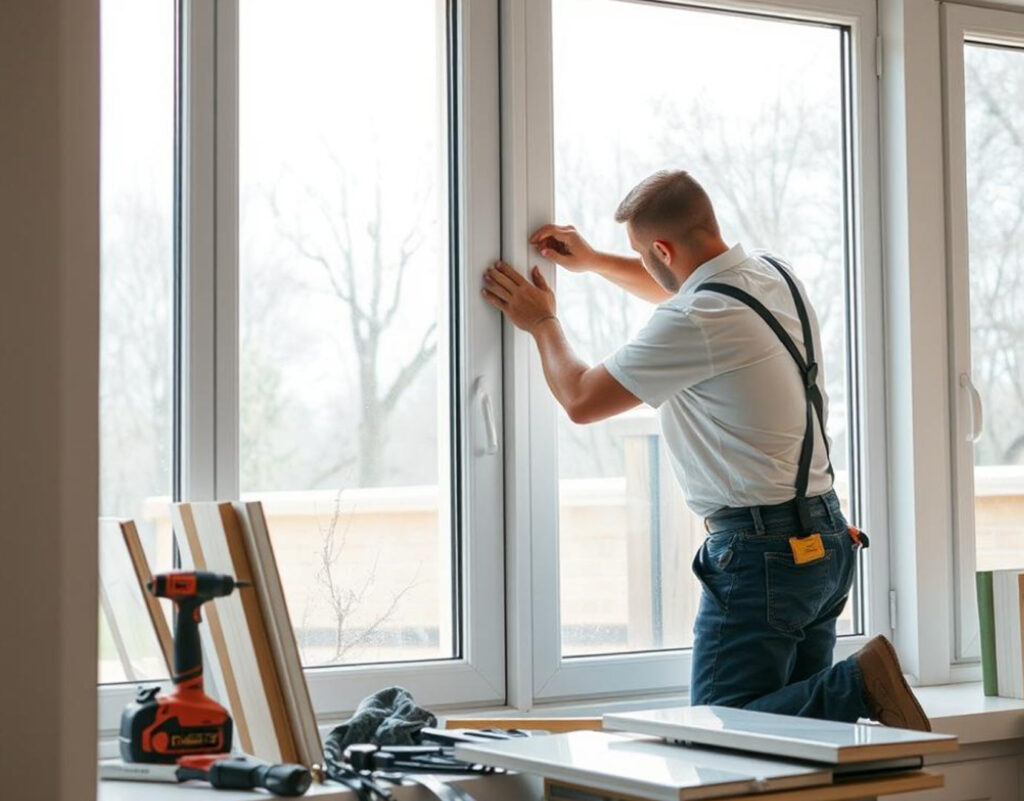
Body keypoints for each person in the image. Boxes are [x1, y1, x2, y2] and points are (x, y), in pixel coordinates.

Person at [481, 169, 930, 729]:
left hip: (761, 552)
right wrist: (595, 260)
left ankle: (856, 690)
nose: (645, 265)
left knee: (721, 732)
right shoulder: (771, 275)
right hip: (826, 539)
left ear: (662, 249)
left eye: (644, 255)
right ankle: (850, 696)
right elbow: (682, 286)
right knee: (796, 753)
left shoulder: (696, 320)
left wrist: (543, 323)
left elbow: (580, 398)